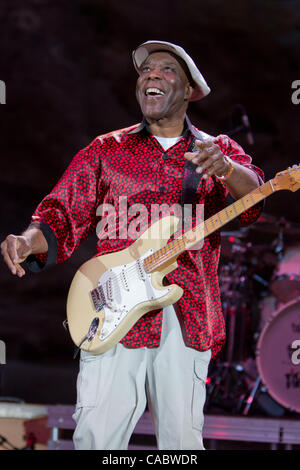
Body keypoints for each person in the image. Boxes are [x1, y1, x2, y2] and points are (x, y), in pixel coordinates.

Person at [1, 40, 264, 450]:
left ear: (190, 90)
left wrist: (228, 169)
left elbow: (253, 203)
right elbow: (60, 215)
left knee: (180, 444)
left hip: (187, 310)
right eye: (145, 71)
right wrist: (27, 240)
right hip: (111, 310)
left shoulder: (216, 150)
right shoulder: (105, 150)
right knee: (96, 439)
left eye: (166, 70)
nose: (151, 76)